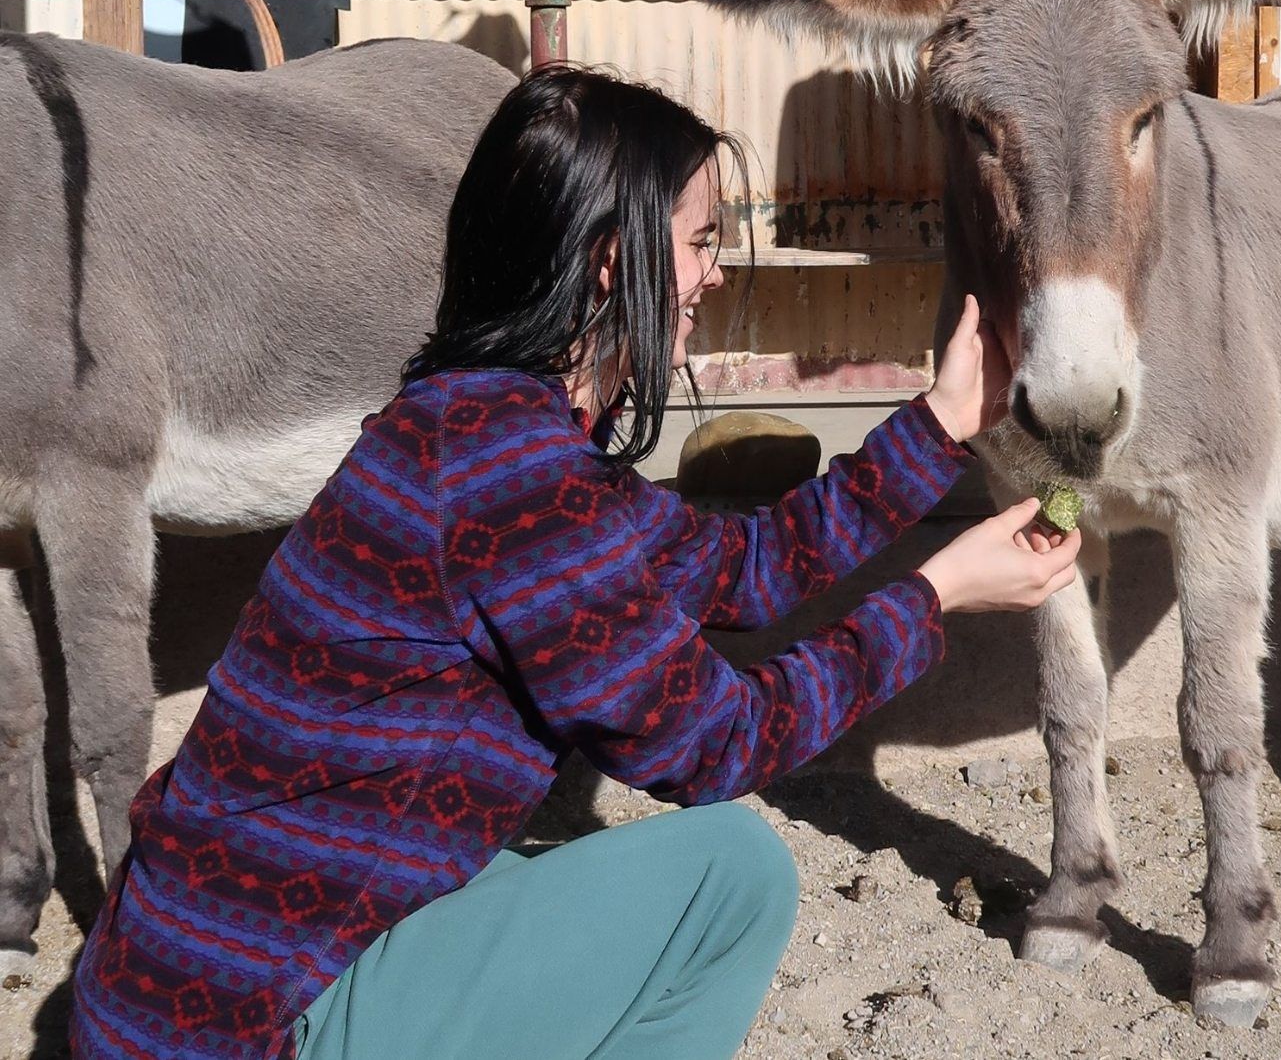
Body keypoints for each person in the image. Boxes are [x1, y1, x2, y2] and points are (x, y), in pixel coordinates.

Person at [71, 65, 1081, 1060]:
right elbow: (716, 745)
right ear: (611, 258)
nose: (713, 277)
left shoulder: (472, 428)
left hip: (180, 996)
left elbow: (747, 571)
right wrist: (937, 592)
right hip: (248, 1026)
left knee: (521, 870)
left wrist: (946, 417)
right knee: (730, 873)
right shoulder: (512, 480)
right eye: (698, 243)